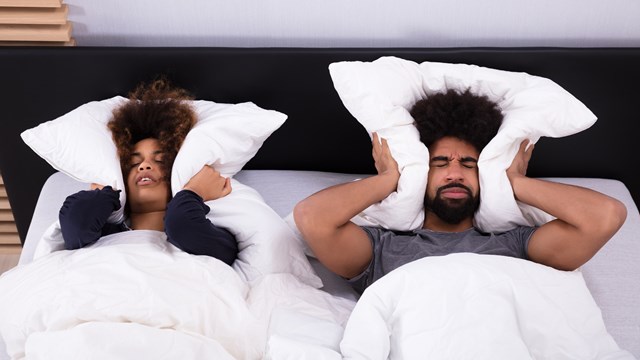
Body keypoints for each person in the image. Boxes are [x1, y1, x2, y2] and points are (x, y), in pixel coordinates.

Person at [293, 88, 627, 294]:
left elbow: (606, 217)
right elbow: (312, 218)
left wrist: (516, 183)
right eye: (439, 163)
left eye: (469, 164)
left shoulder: (516, 244)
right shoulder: (382, 249)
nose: (455, 173)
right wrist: (389, 178)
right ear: (421, 174)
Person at [58, 77, 238, 266]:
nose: (144, 166)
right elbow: (75, 225)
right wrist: (104, 194)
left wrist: (193, 192)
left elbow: (183, 227)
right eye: (133, 163)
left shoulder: (209, 233)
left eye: (160, 160)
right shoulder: (102, 234)